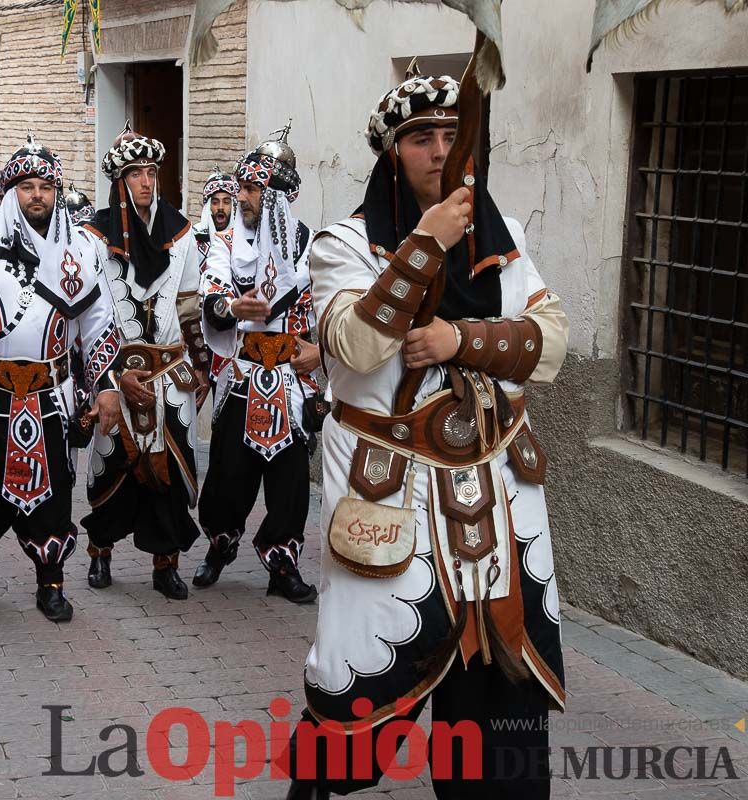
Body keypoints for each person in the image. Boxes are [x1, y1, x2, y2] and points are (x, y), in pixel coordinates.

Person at [286, 74, 569, 799]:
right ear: (391, 153)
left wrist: (458, 338)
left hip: (498, 491)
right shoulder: (342, 244)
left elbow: (554, 340)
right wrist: (424, 244)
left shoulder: (506, 242)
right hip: (394, 486)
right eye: (420, 138)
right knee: (359, 678)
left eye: (451, 137)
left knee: (503, 695)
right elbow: (354, 345)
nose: (439, 152)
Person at [0, 134, 121, 623]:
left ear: (55, 193)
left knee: (54, 491)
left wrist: (105, 388)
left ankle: (50, 582)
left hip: (52, 398)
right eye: (27, 186)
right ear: (10, 192)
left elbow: (98, 325)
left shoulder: (79, 251)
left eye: (45, 186)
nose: (37, 194)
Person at [80, 123, 209, 599]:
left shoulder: (182, 233)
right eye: (135, 173)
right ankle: (100, 551)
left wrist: (199, 363)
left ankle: (165, 564)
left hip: (170, 375)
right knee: (113, 464)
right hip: (118, 370)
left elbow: (190, 304)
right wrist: (109, 379)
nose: (145, 182)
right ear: (119, 180)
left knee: (169, 472)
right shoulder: (93, 237)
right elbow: (89, 317)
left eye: (152, 172)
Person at [195, 127, 321, 603]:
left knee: (289, 483)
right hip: (244, 375)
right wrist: (231, 309)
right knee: (229, 474)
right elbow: (214, 294)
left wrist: (321, 351)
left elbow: (331, 312)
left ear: (275, 196)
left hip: (291, 381)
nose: (240, 197)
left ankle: (281, 566)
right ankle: (219, 546)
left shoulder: (313, 246)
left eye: (250, 189)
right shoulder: (227, 243)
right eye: (240, 187)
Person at [193, 165, 239, 259]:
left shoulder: (242, 238)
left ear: (233, 206)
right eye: (215, 202)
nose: (220, 207)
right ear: (208, 207)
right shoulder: (194, 236)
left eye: (226, 202)